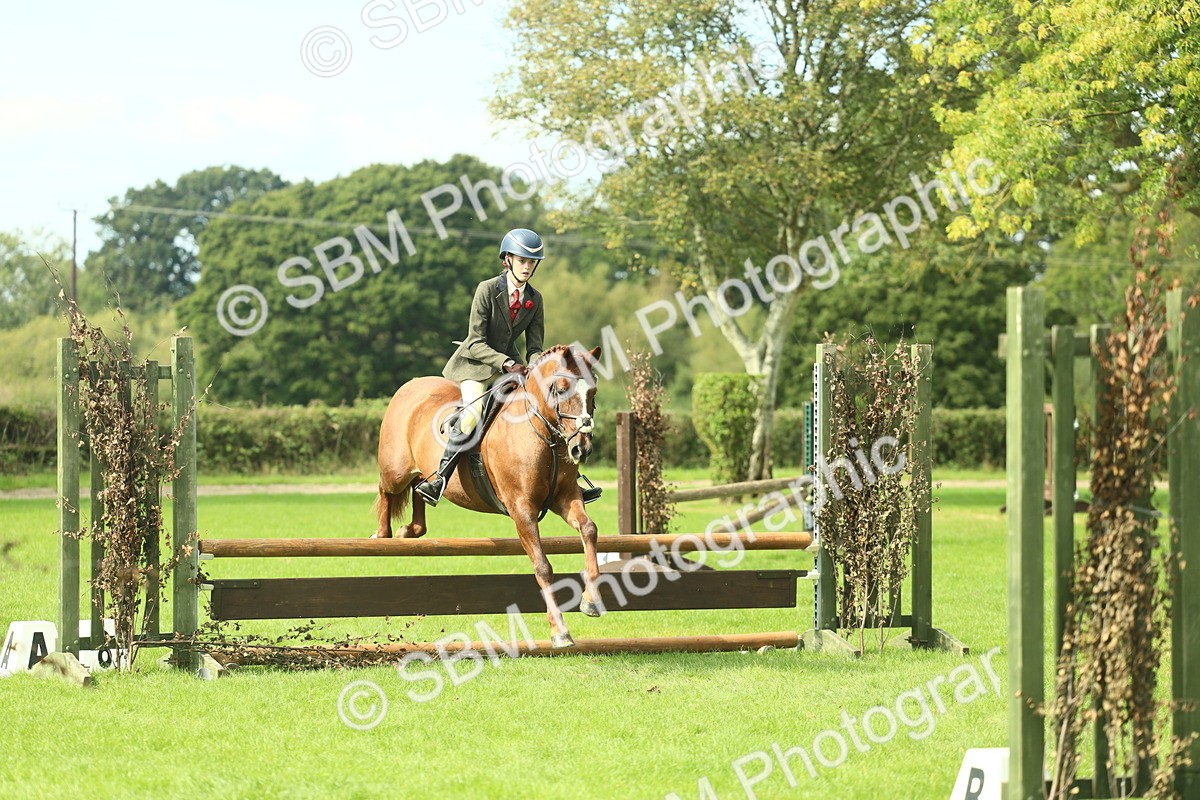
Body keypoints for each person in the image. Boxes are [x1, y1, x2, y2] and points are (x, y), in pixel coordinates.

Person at [414, 228, 602, 506]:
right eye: (522, 260)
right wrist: (506, 363)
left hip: (513, 368)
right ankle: (439, 478)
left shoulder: (535, 299)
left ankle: (568, 481)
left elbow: (535, 346)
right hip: (476, 366)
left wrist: (537, 366)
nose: (527, 267)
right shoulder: (487, 290)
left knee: (549, 408)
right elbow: (475, 341)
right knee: (471, 416)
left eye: (531, 262)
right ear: (507, 261)